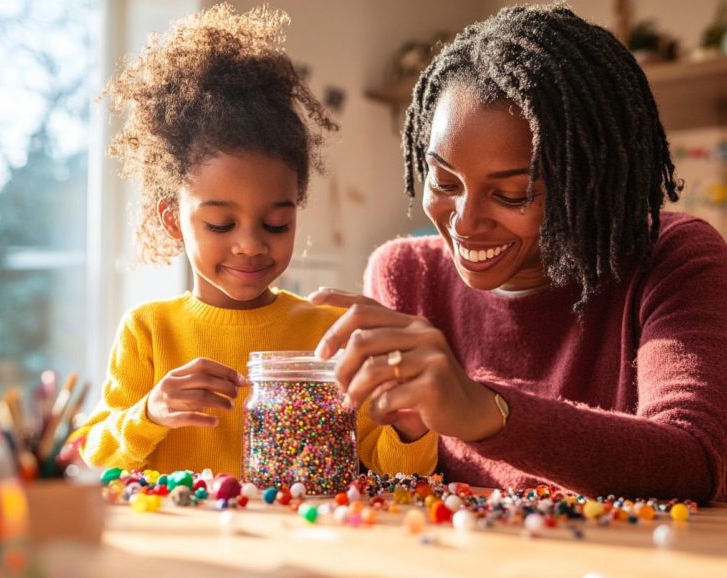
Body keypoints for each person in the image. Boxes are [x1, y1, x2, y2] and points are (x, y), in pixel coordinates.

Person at [310, 4, 727, 503]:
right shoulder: (406, 276)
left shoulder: (674, 260)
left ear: (584, 184)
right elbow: (380, 480)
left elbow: (694, 459)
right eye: (444, 181)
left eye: (512, 194)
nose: (464, 221)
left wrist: (483, 410)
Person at [76, 4, 437, 477]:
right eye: (221, 225)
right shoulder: (149, 330)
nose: (250, 245)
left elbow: (391, 470)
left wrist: (411, 426)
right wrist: (149, 413)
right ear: (172, 221)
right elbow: (93, 453)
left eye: (275, 225)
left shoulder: (326, 333)